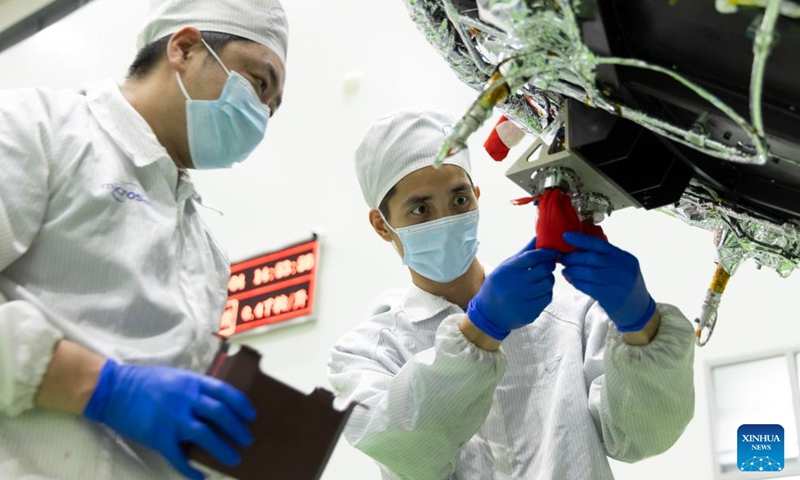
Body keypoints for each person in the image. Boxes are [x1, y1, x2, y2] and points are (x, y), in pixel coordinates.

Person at [0, 1, 287, 479]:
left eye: (271, 109)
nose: (261, 115)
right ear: (185, 47)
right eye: (259, 84)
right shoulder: (37, 126)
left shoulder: (205, 250)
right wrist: (106, 389)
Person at [328, 107, 696, 480]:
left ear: (476, 195)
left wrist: (641, 324)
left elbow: (642, 438)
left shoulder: (569, 315)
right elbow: (409, 451)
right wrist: (481, 329)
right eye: (421, 208)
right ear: (382, 225)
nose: (447, 220)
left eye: (459, 200)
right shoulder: (364, 354)